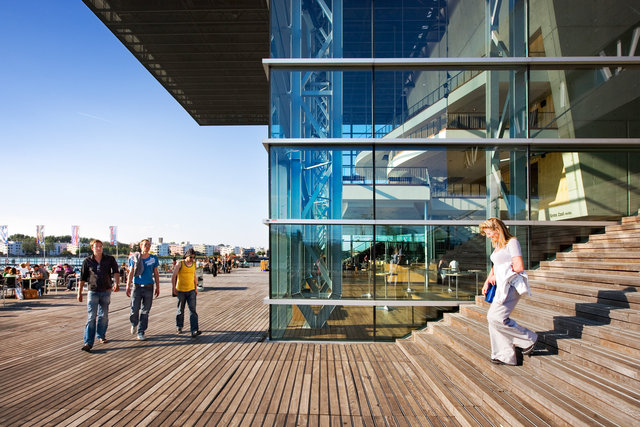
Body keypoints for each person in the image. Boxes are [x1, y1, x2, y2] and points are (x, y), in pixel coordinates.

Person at [480, 218, 537, 366]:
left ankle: (529, 338)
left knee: (495, 317)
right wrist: (488, 281)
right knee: (493, 320)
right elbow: (495, 266)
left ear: (498, 229)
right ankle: (503, 355)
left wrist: (500, 277)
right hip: (501, 286)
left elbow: (518, 266)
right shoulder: (498, 245)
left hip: (511, 285)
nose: (488, 236)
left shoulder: (512, 242)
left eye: (489, 233)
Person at [77, 239, 120, 353]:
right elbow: (82, 278)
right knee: (91, 317)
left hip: (106, 290)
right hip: (93, 291)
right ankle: (88, 342)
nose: (99, 248)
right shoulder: (87, 261)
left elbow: (116, 271)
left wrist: (116, 283)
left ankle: (101, 335)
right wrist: (79, 292)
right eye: (97, 246)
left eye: (101, 246)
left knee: (104, 315)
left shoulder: (109, 259)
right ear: (92, 248)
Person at [126, 239, 160, 341]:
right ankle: (134, 323)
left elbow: (156, 273)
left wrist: (158, 287)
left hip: (149, 287)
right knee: (134, 309)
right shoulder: (135, 258)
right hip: (137, 286)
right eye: (145, 245)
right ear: (141, 246)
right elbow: (131, 272)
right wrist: (128, 285)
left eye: (149, 245)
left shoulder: (153, 259)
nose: (147, 247)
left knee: (145, 311)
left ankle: (141, 332)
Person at [172, 248, 201, 337]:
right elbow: (174, 276)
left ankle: (194, 330)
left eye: (193, 257)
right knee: (180, 310)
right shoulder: (180, 263)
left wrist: (196, 287)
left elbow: (194, 276)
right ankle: (179, 326)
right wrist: (173, 288)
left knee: (193, 310)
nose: (192, 259)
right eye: (191, 257)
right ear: (186, 255)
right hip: (181, 290)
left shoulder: (194, 264)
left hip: (191, 290)